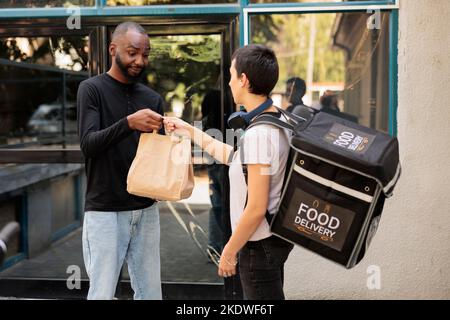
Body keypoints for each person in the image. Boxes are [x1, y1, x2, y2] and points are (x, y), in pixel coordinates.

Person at [164, 44, 293, 300]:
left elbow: (256, 207)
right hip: (272, 241)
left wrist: (229, 251)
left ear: (244, 80)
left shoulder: (259, 135)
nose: (230, 82)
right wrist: (189, 130)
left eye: (232, 75)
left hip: (258, 246)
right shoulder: (278, 119)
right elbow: (235, 159)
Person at [77, 22, 165, 300]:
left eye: (145, 54)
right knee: (102, 293)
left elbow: (156, 157)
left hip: (146, 209)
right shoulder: (91, 89)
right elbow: (88, 144)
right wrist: (128, 123)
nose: (140, 60)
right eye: (132, 52)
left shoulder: (152, 98)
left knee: (151, 294)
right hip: (105, 210)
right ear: (113, 49)